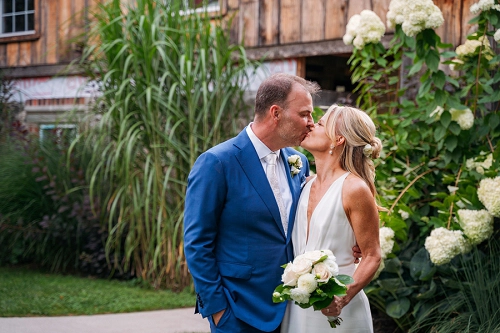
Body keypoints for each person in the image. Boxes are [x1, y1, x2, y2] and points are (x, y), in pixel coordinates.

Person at [183, 73, 360, 333]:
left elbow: (312, 218)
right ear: (276, 113)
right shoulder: (217, 163)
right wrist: (218, 309)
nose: (311, 124)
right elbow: (197, 243)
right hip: (238, 310)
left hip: (293, 308)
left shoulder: (297, 163)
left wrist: (350, 239)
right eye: (304, 114)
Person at [281, 104, 382, 333]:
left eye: (320, 123)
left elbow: (372, 255)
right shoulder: (305, 184)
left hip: (338, 309)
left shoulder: (354, 188)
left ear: (338, 140)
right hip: (298, 305)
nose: (311, 125)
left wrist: (342, 298)